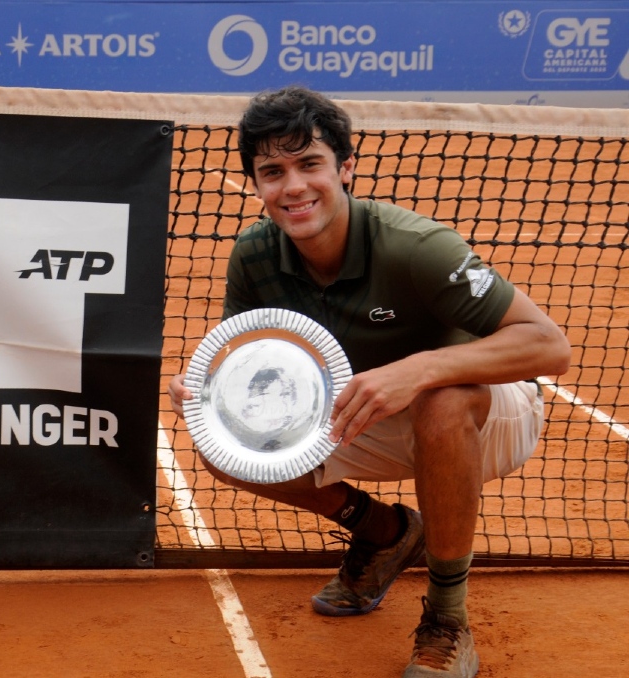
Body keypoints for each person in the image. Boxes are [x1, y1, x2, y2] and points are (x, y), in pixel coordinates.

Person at [168, 86, 570, 678]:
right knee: (224, 446)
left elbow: (548, 345)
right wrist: (205, 394)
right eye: (272, 171)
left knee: (441, 400)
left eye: (310, 164)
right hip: (368, 410)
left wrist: (419, 369)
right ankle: (384, 532)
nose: (294, 187)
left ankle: (446, 621)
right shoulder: (254, 254)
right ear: (256, 184)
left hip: (488, 412)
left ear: (346, 167)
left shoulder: (415, 247)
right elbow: (243, 362)